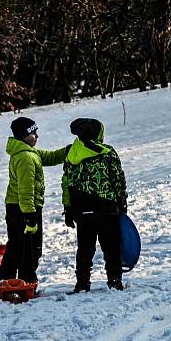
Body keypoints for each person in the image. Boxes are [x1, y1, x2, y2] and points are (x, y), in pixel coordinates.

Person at [0, 116, 69, 284]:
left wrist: (68, 150)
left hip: (20, 207)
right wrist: (30, 215)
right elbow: (25, 189)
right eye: (33, 133)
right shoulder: (25, 158)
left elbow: (50, 157)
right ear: (23, 136)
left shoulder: (28, 152)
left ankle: (8, 279)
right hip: (23, 209)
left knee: (18, 246)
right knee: (28, 248)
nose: (37, 136)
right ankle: (25, 280)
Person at [61, 118, 128, 292]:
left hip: (82, 208)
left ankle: (82, 283)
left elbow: (67, 182)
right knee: (111, 247)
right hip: (107, 208)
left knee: (84, 249)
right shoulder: (107, 152)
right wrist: (122, 202)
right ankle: (114, 280)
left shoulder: (71, 153)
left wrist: (68, 208)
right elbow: (117, 179)